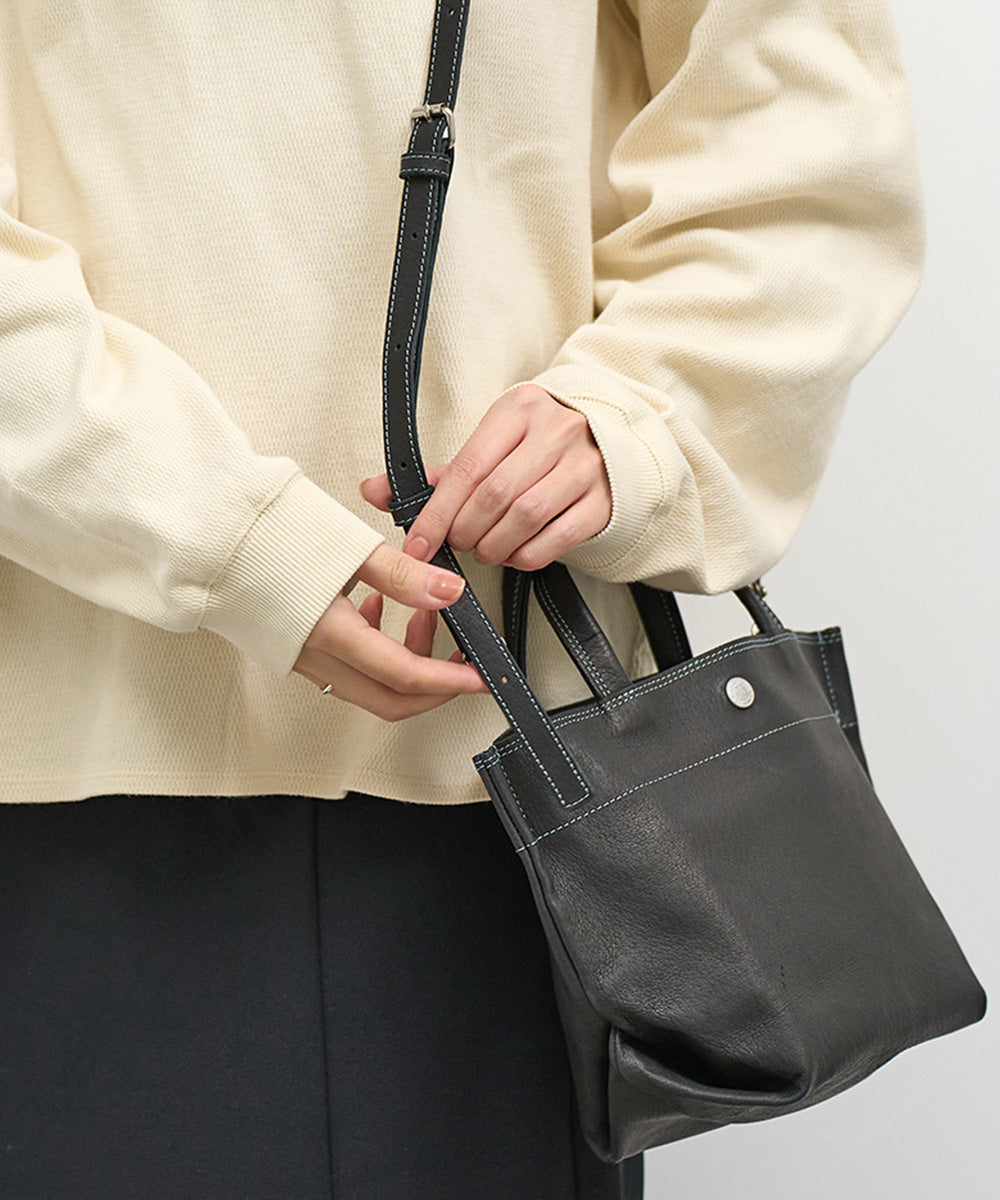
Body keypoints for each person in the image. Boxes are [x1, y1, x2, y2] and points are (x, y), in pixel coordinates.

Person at [0, 1, 923, 1197]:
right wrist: (228, 534)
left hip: (512, 782)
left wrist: (634, 413)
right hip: (74, 769)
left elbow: (799, 130)